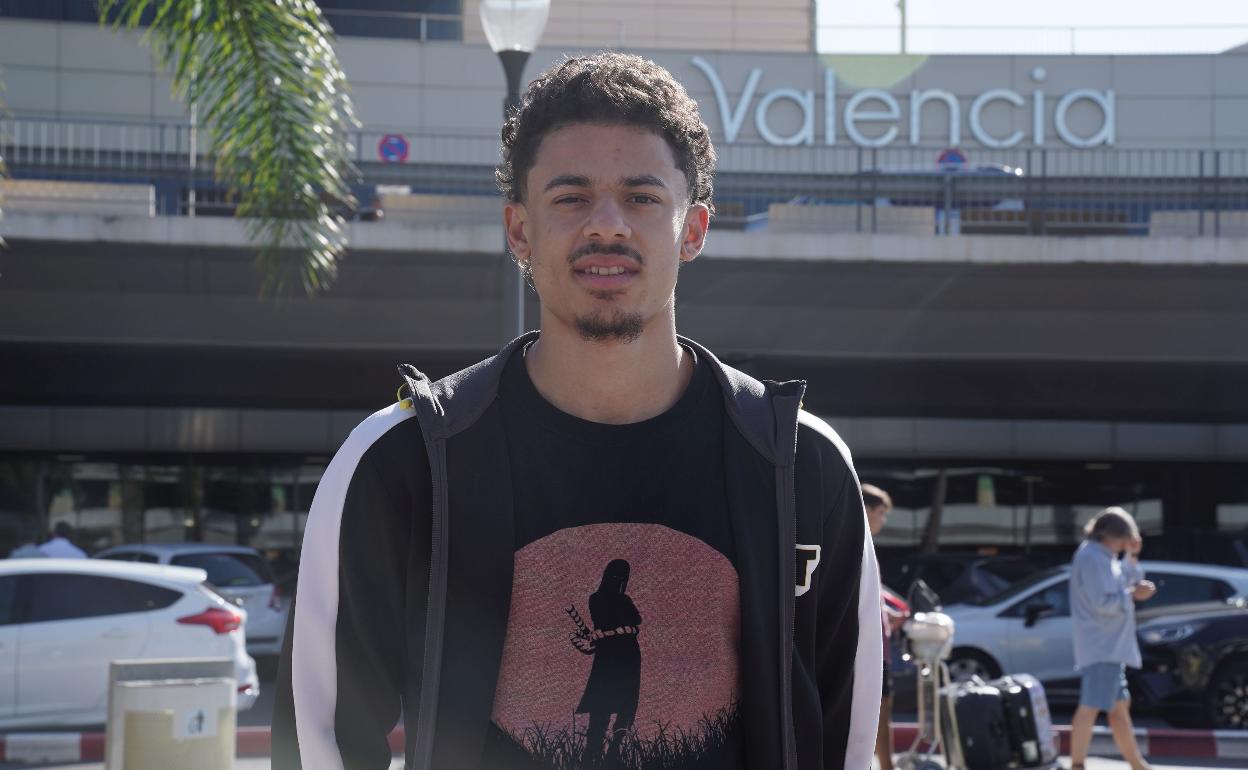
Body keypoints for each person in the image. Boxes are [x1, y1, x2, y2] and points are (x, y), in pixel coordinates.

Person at [273, 52, 882, 770]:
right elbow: (321, 741)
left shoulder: (800, 465)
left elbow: (844, 742)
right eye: (569, 197)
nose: (607, 225)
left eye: (642, 196)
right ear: (520, 230)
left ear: (692, 230)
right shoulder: (403, 460)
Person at [1069, 507, 1156, 770]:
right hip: (1103, 647)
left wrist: (1132, 557)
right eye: (1123, 540)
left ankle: (1137, 764)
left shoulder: (1101, 557)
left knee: (1119, 710)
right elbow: (1102, 602)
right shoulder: (1094, 559)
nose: (1123, 545)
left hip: (1110, 647)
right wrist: (1132, 595)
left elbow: (1122, 580)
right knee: (1091, 706)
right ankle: (1077, 764)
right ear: (1111, 536)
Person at [863, 483, 902, 770]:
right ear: (866, 510)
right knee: (879, 714)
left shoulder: (862, 544)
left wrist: (888, 614)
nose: (883, 520)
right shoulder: (857, 543)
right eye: (881, 513)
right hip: (869, 647)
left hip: (876, 644)